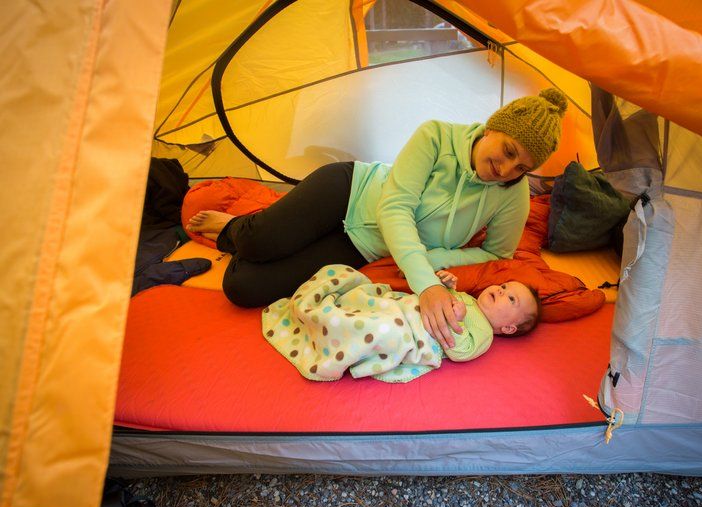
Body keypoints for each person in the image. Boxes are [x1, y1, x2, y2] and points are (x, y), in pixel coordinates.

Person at [187, 88, 567, 350]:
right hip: (349, 191)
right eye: (508, 151)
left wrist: (434, 260)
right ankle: (235, 227)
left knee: (243, 288)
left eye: (522, 167)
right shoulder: (435, 136)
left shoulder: (512, 192)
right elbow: (395, 207)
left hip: (364, 245)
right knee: (258, 242)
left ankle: (265, 233)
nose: (506, 169)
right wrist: (426, 284)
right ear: (493, 128)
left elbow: (496, 253)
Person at [262, 265, 541, 383]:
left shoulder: (483, 335)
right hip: (402, 307)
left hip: (412, 333)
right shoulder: (466, 296)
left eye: (512, 299)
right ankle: (336, 310)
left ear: (508, 328)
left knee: (384, 329)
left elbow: (461, 351)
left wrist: (456, 319)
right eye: (504, 286)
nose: (502, 291)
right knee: (359, 288)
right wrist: (445, 286)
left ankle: (333, 328)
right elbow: (430, 297)